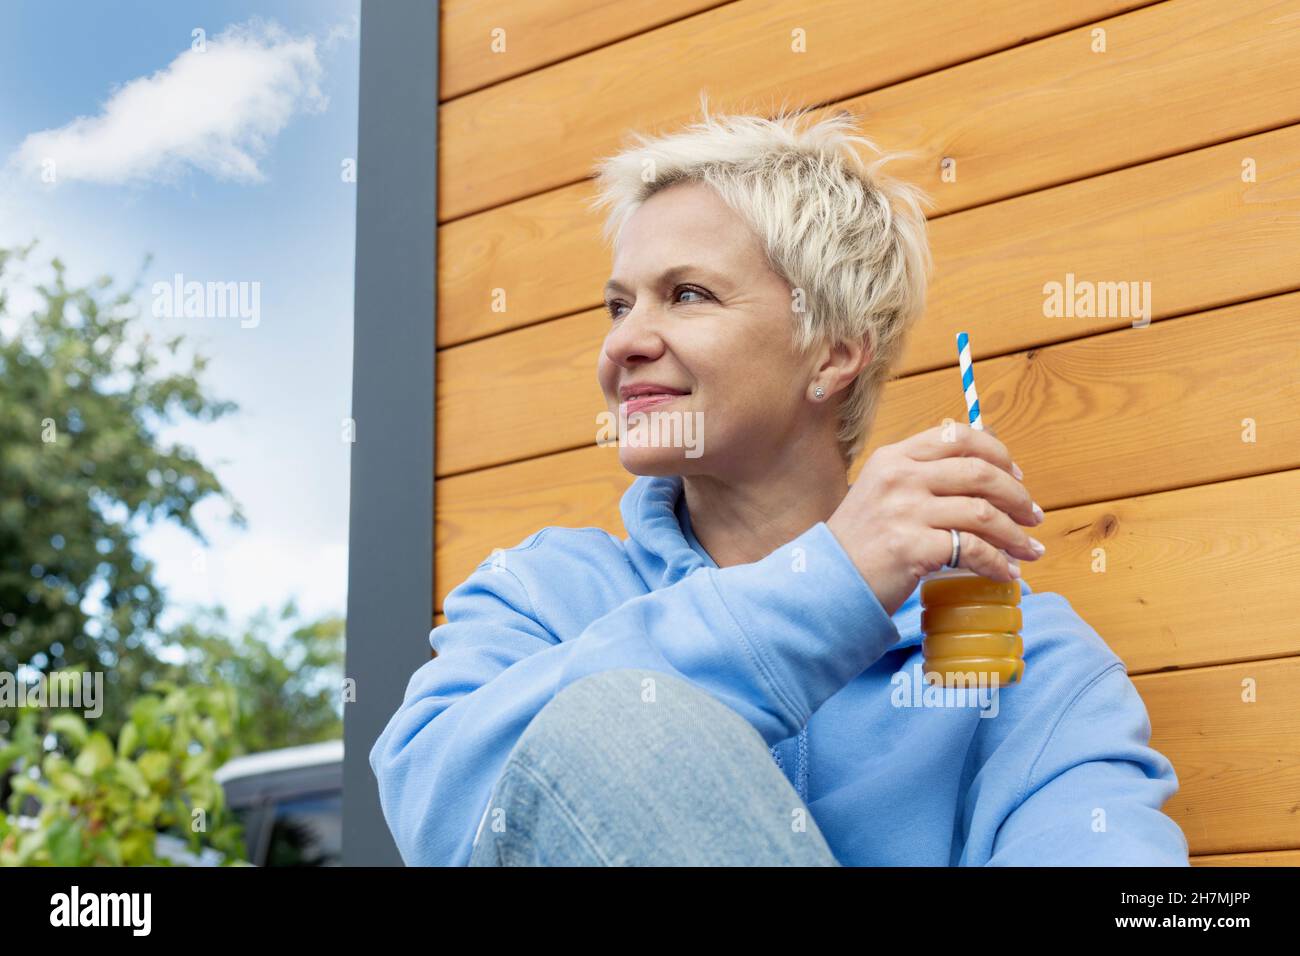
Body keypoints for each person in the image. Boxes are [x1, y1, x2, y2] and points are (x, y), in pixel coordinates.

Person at [369, 98, 1190, 867]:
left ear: (833, 350)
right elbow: (441, 802)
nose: (623, 345)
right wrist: (829, 587)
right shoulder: (541, 594)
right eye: (619, 306)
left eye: (686, 295)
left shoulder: (1017, 655)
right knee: (617, 721)